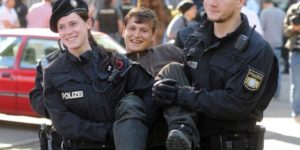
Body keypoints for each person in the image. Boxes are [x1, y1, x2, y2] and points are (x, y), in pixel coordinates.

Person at [153, 0, 278, 150]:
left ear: (240, 2)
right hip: (189, 141)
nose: (212, 3)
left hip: (230, 142)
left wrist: (180, 94)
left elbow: (235, 105)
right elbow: (181, 80)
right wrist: (162, 90)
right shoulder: (193, 37)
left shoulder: (257, 50)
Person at [42, 1, 154, 150]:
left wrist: (134, 128)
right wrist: (110, 131)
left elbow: (150, 92)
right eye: (61, 27)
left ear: (88, 23)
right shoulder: (52, 73)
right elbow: (64, 123)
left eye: (73, 23)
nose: (68, 31)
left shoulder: (116, 61)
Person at [122, 7, 199, 150]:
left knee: (173, 69)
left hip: (173, 133)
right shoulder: (117, 65)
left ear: (153, 36)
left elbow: (196, 71)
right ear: (123, 31)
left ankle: (183, 132)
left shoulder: (169, 51)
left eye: (143, 30)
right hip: (146, 131)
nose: (136, 35)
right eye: (132, 28)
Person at [260, 0, 285, 98]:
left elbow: (261, 28)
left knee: (265, 70)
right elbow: (284, 29)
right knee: (277, 70)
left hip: (266, 45)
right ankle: (277, 92)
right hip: (278, 44)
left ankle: (266, 93)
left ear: (265, 3)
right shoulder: (282, 12)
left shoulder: (264, 12)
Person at [283, 1, 300, 123]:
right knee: (296, 85)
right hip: (296, 52)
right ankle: (297, 112)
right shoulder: (293, 9)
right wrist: (293, 28)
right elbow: (285, 30)